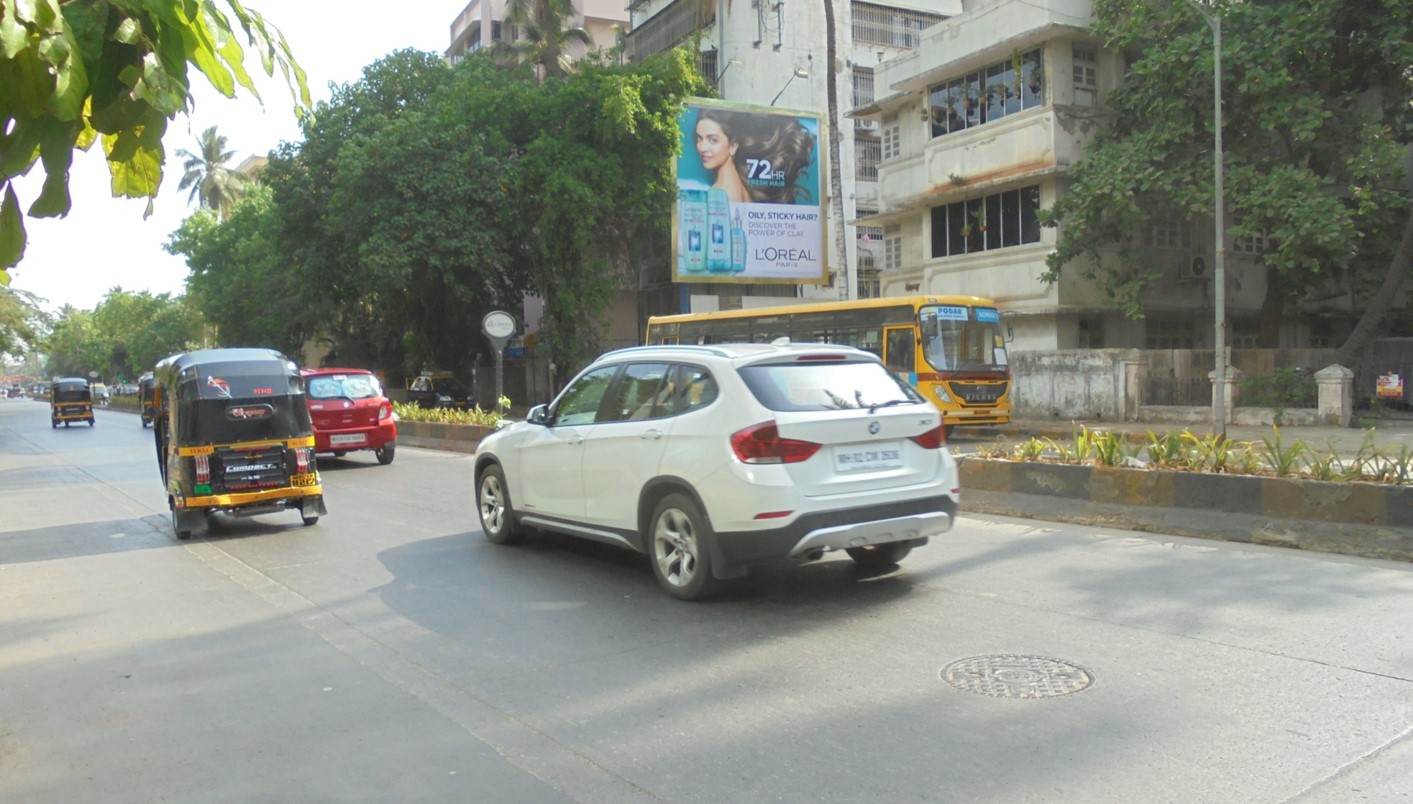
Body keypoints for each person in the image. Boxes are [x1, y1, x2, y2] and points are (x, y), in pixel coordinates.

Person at [694, 108, 751, 203]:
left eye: (713, 140)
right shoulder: (743, 186)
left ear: (733, 146)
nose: (703, 148)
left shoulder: (719, 195)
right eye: (699, 138)